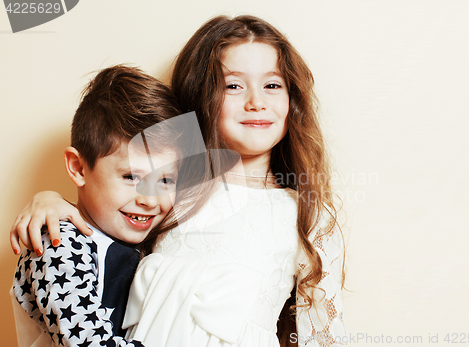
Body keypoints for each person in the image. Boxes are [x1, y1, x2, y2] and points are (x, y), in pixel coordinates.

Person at [10, 15, 347, 347]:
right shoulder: (173, 189)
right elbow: (103, 221)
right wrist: (51, 200)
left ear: (293, 99)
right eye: (233, 85)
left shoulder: (309, 214)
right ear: (203, 95)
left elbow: (322, 335)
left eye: (272, 85)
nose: (256, 102)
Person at [11, 65, 183, 347]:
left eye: (166, 179)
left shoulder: (137, 238)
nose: (150, 199)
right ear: (78, 167)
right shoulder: (58, 244)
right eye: (131, 177)